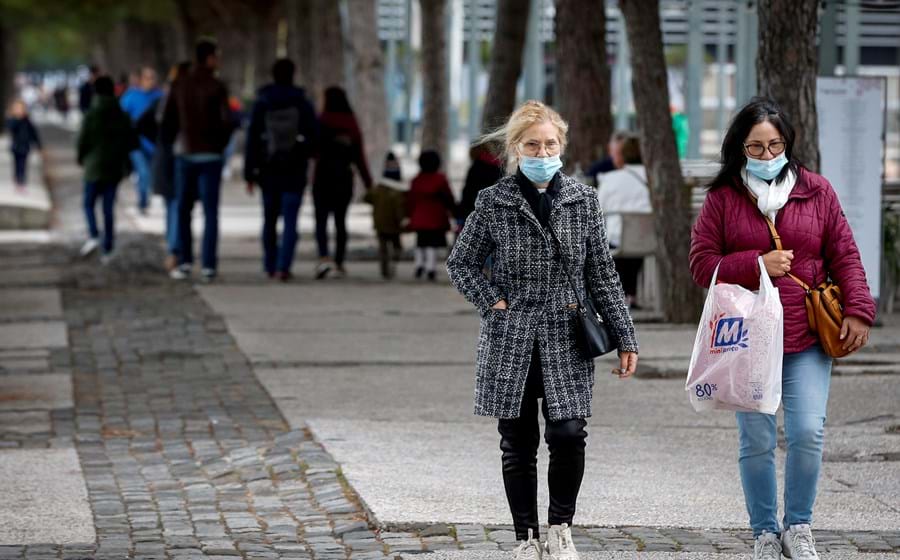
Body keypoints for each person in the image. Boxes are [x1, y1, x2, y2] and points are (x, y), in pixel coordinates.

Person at [446, 100, 639, 560]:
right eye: (532, 144)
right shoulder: (494, 201)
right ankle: (525, 538)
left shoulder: (581, 199)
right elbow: (461, 262)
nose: (542, 150)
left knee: (569, 433)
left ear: (562, 147)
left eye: (550, 143)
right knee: (517, 441)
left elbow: (602, 274)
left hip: (566, 334)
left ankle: (561, 528)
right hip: (511, 336)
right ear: (515, 148)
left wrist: (625, 336)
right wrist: (493, 301)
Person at [689, 97, 876, 560]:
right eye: (756, 148)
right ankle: (764, 533)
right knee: (757, 437)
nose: (768, 156)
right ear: (739, 150)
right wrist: (756, 264)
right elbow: (700, 265)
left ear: (789, 145)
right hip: (748, 337)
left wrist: (858, 309)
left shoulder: (817, 191)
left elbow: (846, 255)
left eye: (776, 146)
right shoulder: (723, 198)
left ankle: (800, 525)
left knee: (808, 431)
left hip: (808, 332)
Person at [162, 39, 236, 282]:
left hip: (185, 153)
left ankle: (184, 260)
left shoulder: (179, 84)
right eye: (217, 56)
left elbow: (167, 120)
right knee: (210, 211)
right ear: (209, 58)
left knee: (184, 209)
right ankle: (208, 264)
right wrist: (219, 146)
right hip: (211, 156)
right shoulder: (217, 86)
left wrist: (175, 143)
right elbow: (227, 122)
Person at [244, 58, 318, 281]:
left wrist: (250, 173)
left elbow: (252, 140)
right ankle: (284, 266)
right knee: (291, 221)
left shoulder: (262, 102)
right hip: (294, 169)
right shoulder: (302, 103)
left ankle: (269, 264)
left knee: (269, 219)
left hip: (268, 169)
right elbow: (314, 136)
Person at [76, 75, 138, 263]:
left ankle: (94, 234)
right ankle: (108, 247)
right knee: (108, 208)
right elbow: (131, 142)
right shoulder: (122, 115)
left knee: (88, 203)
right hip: (114, 168)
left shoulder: (91, 114)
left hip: (93, 168)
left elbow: (82, 141)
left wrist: (81, 158)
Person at [312, 86, 372, 279]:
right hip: (344, 178)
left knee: (321, 220)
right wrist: (368, 182)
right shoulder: (351, 123)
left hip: (322, 177)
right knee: (340, 221)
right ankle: (339, 261)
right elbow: (359, 157)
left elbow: (313, 150)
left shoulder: (321, 121)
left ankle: (323, 257)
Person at [596, 135, 651, 308]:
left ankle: (620, 294)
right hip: (649, 238)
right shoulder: (653, 179)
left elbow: (599, 208)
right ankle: (632, 295)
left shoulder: (610, 179)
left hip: (616, 238)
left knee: (616, 239)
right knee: (636, 245)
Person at [151, 61, 191, 271]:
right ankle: (176, 249)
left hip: (166, 158)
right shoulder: (180, 100)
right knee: (177, 205)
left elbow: (143, 125)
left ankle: (173, 248)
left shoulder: (163, 100)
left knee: (172, 206)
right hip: (179, 158)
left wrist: (155, 146)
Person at [121, 66, 164, 215]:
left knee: (151, 174)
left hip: (155, 144)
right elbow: (122, 119)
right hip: (136, 143)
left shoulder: (160, 96)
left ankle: (149, 197)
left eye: (153, 77)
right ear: (140, 79)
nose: (150, 81)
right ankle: (143, 202)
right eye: (147, 77)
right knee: (143, 173)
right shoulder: (130, 97)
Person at [408, 150, 454, 281]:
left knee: (420, 241)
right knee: (432, 243)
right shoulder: (440, 179)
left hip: (419, 217)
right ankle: (430, 268)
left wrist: (409, 214)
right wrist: (453, 210)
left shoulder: (416, 180)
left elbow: (410, 199)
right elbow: (448, 197)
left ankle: (418, 265)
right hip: (435, 216)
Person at [363, 152, 407, 280]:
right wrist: (403, 220)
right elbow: (401, 208)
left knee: (383, 249)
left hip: (380, 223)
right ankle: (393, 262)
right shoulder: (399, 191)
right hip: (394, 224)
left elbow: (367, 198)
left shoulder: (378, 189)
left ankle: (384, 271)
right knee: (397, 246)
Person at [458, 144, 504, 225]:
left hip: (476, 208)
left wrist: (461, 211)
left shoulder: (476, 167)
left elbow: (468, 191)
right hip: (495, 209)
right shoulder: (497, 165)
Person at [5, 99, 42, 190]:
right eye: (17, 109)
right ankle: (17, 179)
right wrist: (17, 119)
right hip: (16, 146)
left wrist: (38, 144)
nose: (19, 111)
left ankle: (22, 181)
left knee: (23, 164)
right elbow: (10, 128)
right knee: (17, 164)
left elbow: (33, 132)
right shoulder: (12, 120)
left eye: (20, 109)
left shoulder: (27, 120)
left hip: (25, 146)